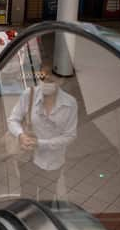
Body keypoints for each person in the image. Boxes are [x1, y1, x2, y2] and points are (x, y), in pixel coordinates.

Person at [7, 71, 78, 201]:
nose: (45, 83)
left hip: (53, 162)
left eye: (50, 80)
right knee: (27, 197)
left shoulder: (70, 103)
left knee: (48, 199)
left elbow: (70, 135)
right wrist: (21, 135)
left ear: (61, 80)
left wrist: (40, 143)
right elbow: (13, 120)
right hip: (28, 159)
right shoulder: (29, 95)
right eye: (42, 78)